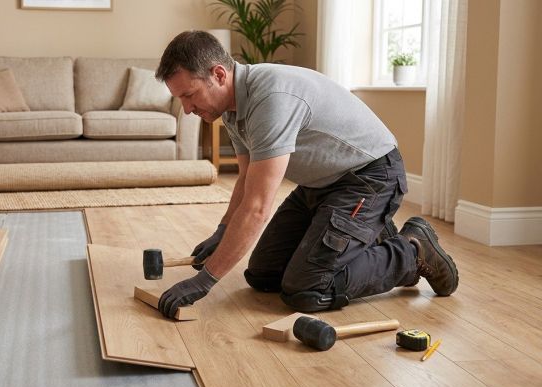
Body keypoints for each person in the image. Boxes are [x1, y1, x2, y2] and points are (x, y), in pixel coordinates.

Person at [154, 30, 459, 319]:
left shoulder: (270, 98)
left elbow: (258, 208)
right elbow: (247, 180)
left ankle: (412, 250)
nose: (188, 109)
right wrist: (223, 230)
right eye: (180, 99)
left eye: (189, 95)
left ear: (219, 75)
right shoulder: (232, 109)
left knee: (307, 289)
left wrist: (205, 281)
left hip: (369, 178)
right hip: (322, 184)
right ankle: (371, 230)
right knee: (262, 274)